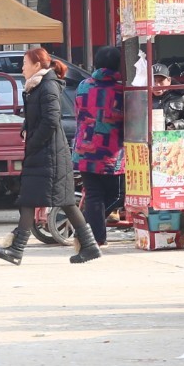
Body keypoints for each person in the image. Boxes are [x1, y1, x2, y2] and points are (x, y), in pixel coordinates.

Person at [0, 47, 100, 265]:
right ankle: (89, 246)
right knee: (60, 201)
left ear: (36, 65)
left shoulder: (47, 86)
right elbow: (39, 115)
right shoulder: (37, 85)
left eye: (24, 63)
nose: (21, 68)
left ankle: (16, 249)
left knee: (33, 200)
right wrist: (26, 126)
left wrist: (33, 142)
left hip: (48, 154)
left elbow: (51, 120)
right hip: (44, 153)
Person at [74, 46, 127, 247]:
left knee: (95, 194)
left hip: (84, 149)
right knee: (117, 195)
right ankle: (91, 231)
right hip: (110, 151)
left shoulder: (83, 86)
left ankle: (94, 235)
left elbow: (79, 112)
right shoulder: (122, 90)